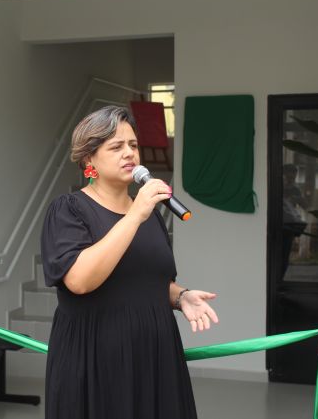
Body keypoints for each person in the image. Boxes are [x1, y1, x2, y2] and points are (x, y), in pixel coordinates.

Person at [41, 106, 219, 419]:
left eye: (133, 145)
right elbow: (80, 280)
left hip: (155, 357)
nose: (129, 153)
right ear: (89, 159)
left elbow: (144, 279)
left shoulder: (149, 214)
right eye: (116, 147)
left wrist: (180, 296)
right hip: (97, 361)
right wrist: (135, 215)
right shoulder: (69, 209)